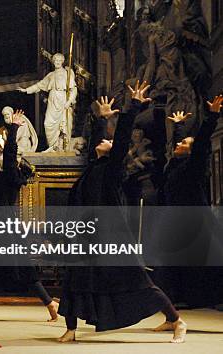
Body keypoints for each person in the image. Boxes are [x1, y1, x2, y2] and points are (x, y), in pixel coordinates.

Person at [58, 82, 186, 344]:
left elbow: (122, 138)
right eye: (104, 139)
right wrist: (103, 119)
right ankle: (70, 329)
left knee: (137, 280)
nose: (105, 140)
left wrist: (133, 107)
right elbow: (97, 140)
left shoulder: (112, 169)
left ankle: (176, 320)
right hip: (87, 236)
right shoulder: (93, 168)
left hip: (111, 237)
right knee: (74, 279)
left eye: (109, 140)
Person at [0, 109, 58, 322]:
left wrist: (13, 129)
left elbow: (10, 153)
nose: (9, 159)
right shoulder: (7, 176)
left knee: (21, 267)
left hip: (4, 227)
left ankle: (50, 304)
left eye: (15, 161)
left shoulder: (11, 175)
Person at [150, 96, 223, 314]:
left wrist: (212, 116)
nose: (179, 144)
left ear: (190, 152)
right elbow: (179, 145)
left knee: (203, 270)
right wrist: (179, 127)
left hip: (195, 224)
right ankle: (172, 310)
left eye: (183, 144)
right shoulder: (176, 164)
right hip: (177, 224)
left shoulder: (193, 166)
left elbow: (200, 145)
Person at [18, 53, 77, 152]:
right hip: (52, 100)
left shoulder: (67, 73)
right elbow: (39, 85)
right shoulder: (50, 75)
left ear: (62, 61)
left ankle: (62, 147)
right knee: (47, 124)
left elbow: (73, 89)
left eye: (59, 60)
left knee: (64, 125)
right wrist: (27, 90)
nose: (57, 62)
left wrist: (69, 101)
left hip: (62, 100)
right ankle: (53, 147)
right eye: (55, 60)